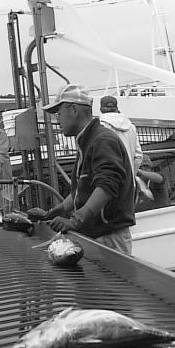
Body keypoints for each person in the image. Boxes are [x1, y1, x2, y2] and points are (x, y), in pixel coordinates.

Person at [28, 84, 135, 254]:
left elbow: (107, 186)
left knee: (107, 281)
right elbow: (84, 188)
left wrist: (75, 220)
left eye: (59, 113)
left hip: (108, 237)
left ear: (73, 110)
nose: (57, 120)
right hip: (97, 235)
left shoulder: (102, 140)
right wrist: (59, 210)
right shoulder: (87, 141)